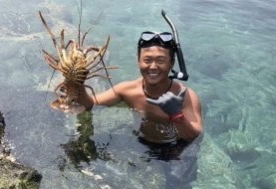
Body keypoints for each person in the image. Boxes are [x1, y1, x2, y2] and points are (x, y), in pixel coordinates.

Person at [75, 29, 203, 145]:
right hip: (140, 142)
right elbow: (89, 104)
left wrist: (176, 115)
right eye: (147, 60)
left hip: (176, 150)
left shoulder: (185, 97)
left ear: (171, 64)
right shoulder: (127, 90)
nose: (153, 67)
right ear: (138, 61)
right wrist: (77, 83)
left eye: (160, 61)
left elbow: (194, 136)